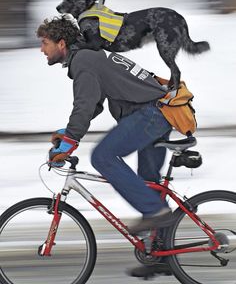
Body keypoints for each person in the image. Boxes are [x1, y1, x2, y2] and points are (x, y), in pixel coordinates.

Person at [37, 16, 174, 277]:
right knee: (148, 184)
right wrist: (69, 134)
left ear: (61, 43)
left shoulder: (84, 62)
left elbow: (84, 105)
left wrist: (69, 143)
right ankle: (161, 255)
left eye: (45, 43)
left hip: (151, 114)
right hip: (158, 112)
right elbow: (94, 103)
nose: (41, 49)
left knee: (103, 156)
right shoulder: (91, 57)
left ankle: (156, 213)